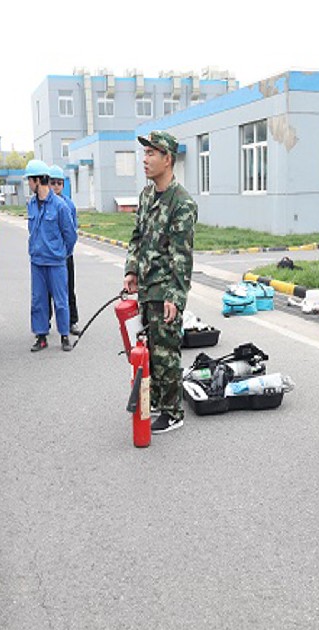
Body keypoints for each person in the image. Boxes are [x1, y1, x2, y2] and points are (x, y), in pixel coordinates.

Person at [122, 131, 197, 434]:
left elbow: (182, 257)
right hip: (146, 288)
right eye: (145, 153)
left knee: (167, 351)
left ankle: (173, 411)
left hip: (165, 288)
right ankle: (154, 399)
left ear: (168, 159)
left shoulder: (182, 203)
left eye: (152, 153)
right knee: (150, 348)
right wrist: (131, 270)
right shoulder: (146, 195)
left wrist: (175, 298)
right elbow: (137, 236)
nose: (145, 159)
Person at [25, 160, 76, 352]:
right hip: (37, 261)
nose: (29, 184)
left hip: (56, 262)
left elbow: (70, 235)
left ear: (38, 180)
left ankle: (64, 335)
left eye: (30, 180)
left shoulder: (60, 206)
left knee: (61, 301)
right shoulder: (31, 204)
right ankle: (41, 336)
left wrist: (63, 253)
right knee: (38, 300)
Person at [47, 165, 80, 335]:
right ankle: (44, 324)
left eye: (60, 183)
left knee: (69, 289)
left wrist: (66, 251)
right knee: (46, 292)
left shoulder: (69, 205)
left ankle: (72, 322)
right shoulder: (43, 203)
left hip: (65, 255)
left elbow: (72, 231)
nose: (57, 186)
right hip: (47, 256)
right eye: (53, 182)